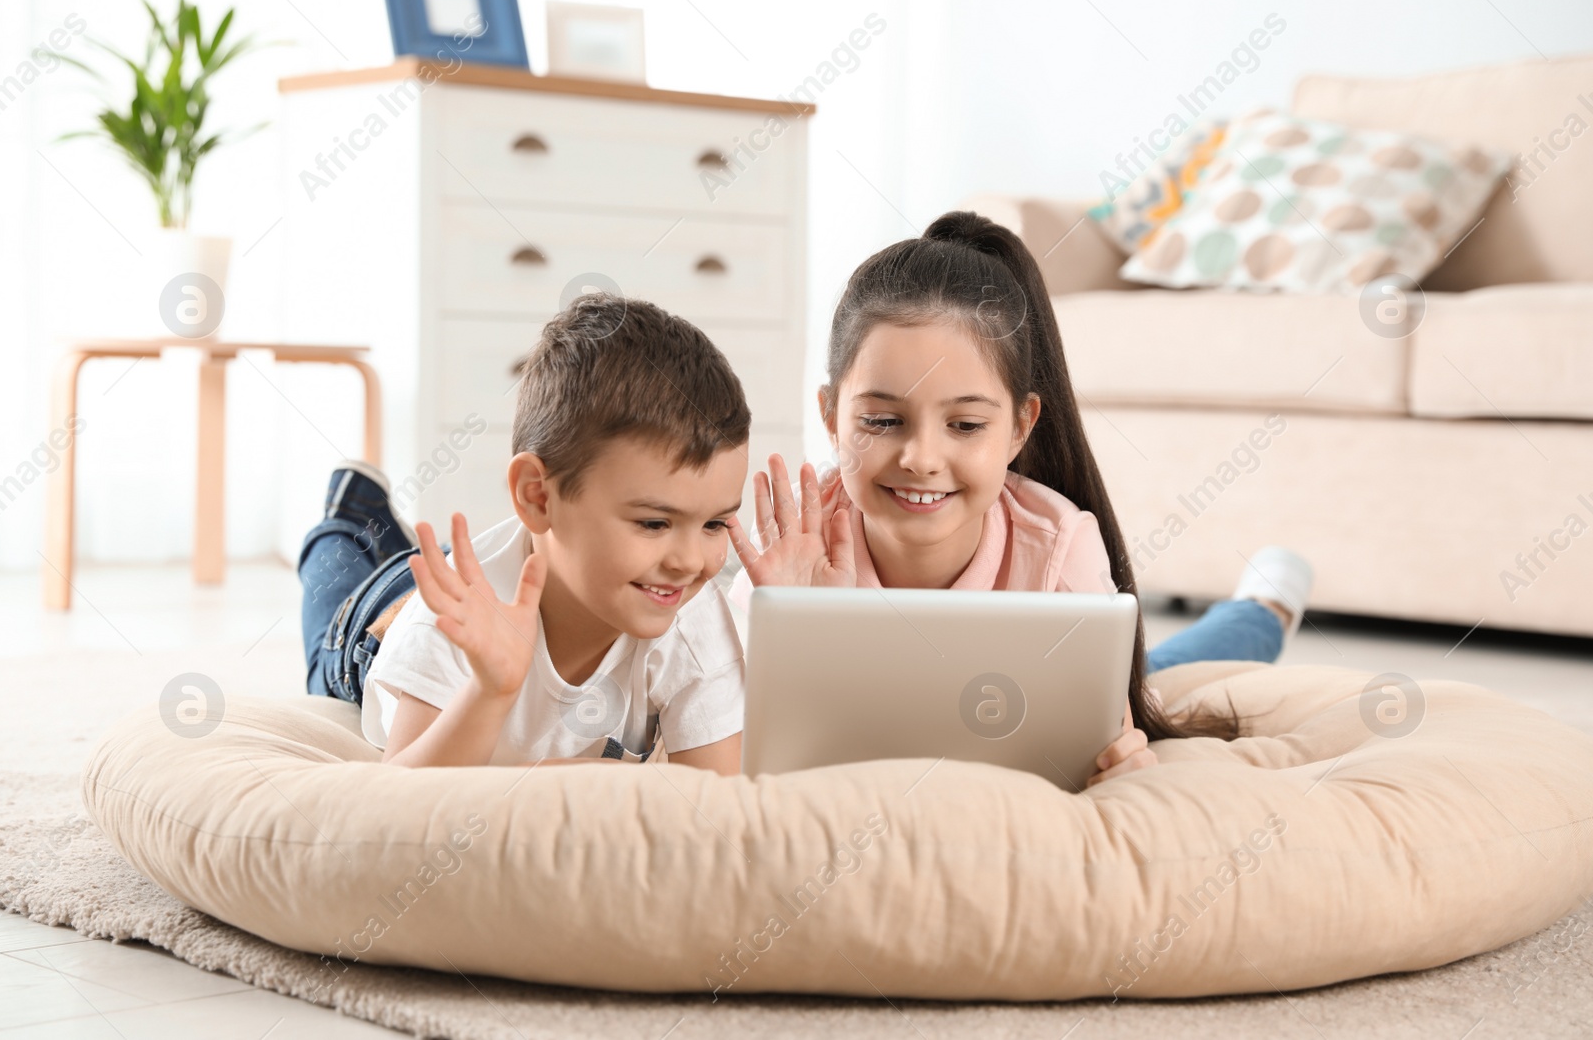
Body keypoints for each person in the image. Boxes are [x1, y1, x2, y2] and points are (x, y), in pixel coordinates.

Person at [726, 210, 1314, 785]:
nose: (921, 459)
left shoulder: (1060, 549)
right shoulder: (789, 556)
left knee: (1165, 676)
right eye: (882, 420)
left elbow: (1108, 749)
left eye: (965, 425)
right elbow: (735, 745)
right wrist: (799, 632)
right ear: (830, 416)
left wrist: (1125, 767)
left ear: (1019, 427)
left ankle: (1266, 605)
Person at [296, 294, 748, 773]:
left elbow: (713, 803)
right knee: (338, 577)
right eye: (654, 523)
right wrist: (490, 692)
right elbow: (406, 802)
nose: (690, 562)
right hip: (388, 612)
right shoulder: (442, 625)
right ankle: (350, 514)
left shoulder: (693, 618)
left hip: (535, 558)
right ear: (538, 497)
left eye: (714, 524)